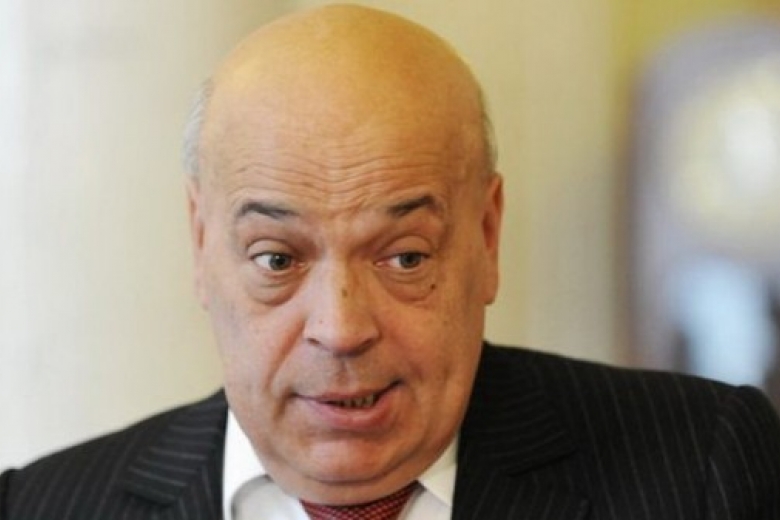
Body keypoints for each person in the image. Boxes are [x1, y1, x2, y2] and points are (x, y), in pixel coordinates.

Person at [2, 4, 779, 520]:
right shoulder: (41, 507)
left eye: (404, 257)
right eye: (277, 259)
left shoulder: (701, 468)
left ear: (486, 236)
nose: (341, 329)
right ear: (202, 244)